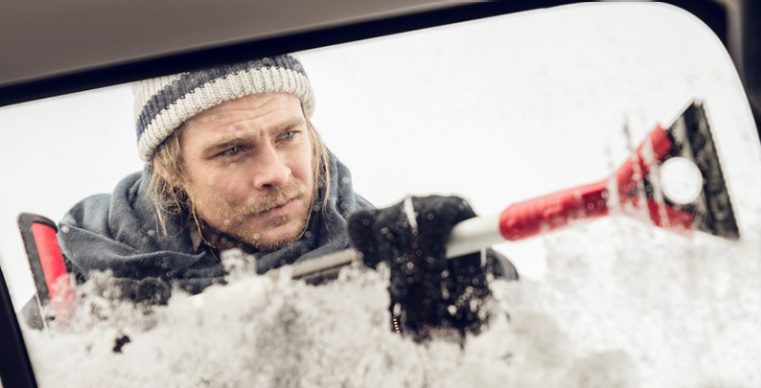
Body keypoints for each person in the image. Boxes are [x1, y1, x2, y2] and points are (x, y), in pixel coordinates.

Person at [35, 54, 516, 335]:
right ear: (172, 171)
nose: (276, 171)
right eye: (232, 151)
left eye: (288, 134)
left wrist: (476, 301)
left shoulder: (387, 259)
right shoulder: (81, 284)